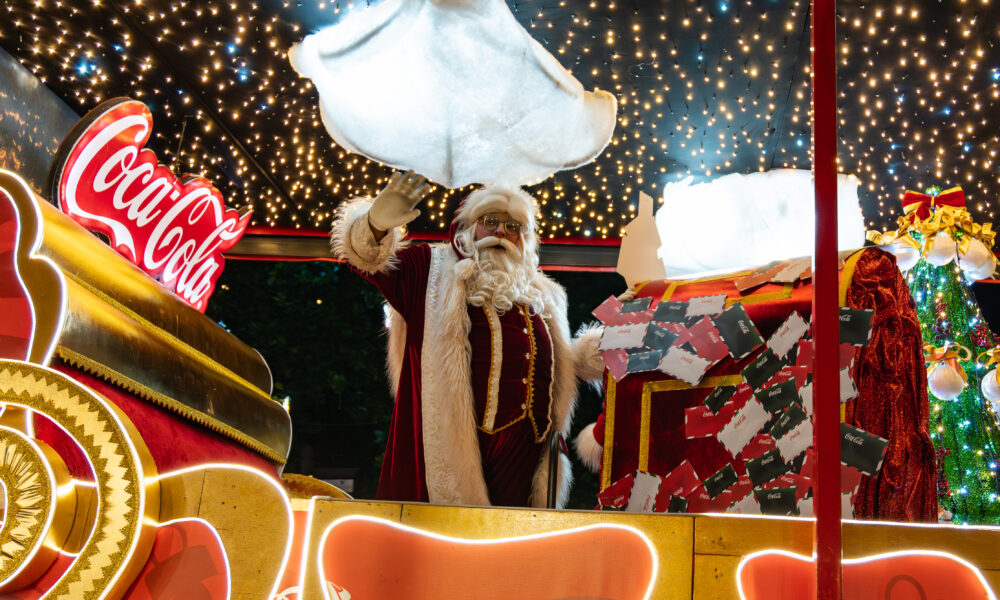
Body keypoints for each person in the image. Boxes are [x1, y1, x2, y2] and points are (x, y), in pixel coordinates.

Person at [331, 171, 604, 507]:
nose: (502, 231)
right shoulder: (431, 269)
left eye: (515, 226)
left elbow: (562, 363)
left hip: (527, 453)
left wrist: (604, 349)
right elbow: (369, 261)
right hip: (455, 443)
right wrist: (374, 224)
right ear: (468, 227)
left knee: (510, 549)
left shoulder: (548, 295)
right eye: (491, 220)